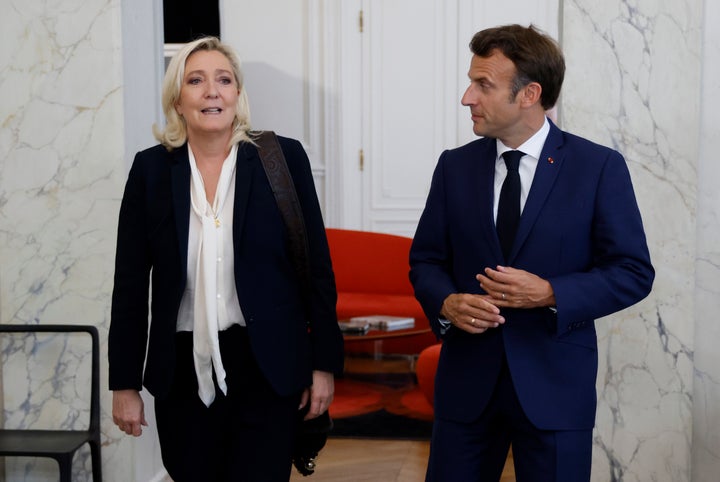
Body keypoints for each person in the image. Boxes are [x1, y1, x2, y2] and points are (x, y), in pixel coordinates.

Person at [409, 24, 654, 481]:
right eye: (471, 82)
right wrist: (445, 301)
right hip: (466, 390)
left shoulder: (598, 167)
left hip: (556, 388)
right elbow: (425, 260)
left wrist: (550, 292)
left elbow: (632, 271)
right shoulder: (453, 167)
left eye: (483, 85)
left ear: (529, 94)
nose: (467, 97)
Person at [108, 36, 344, 482]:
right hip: (180, 371)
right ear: (177, 100)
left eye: (224, 80)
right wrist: (124, 383)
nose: (211, 91)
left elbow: (316, 269)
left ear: (238, 94)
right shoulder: (151, 171)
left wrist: (323, 364)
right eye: (195, 81)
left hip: (267, 365)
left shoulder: (282, 159)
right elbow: (130, 284)